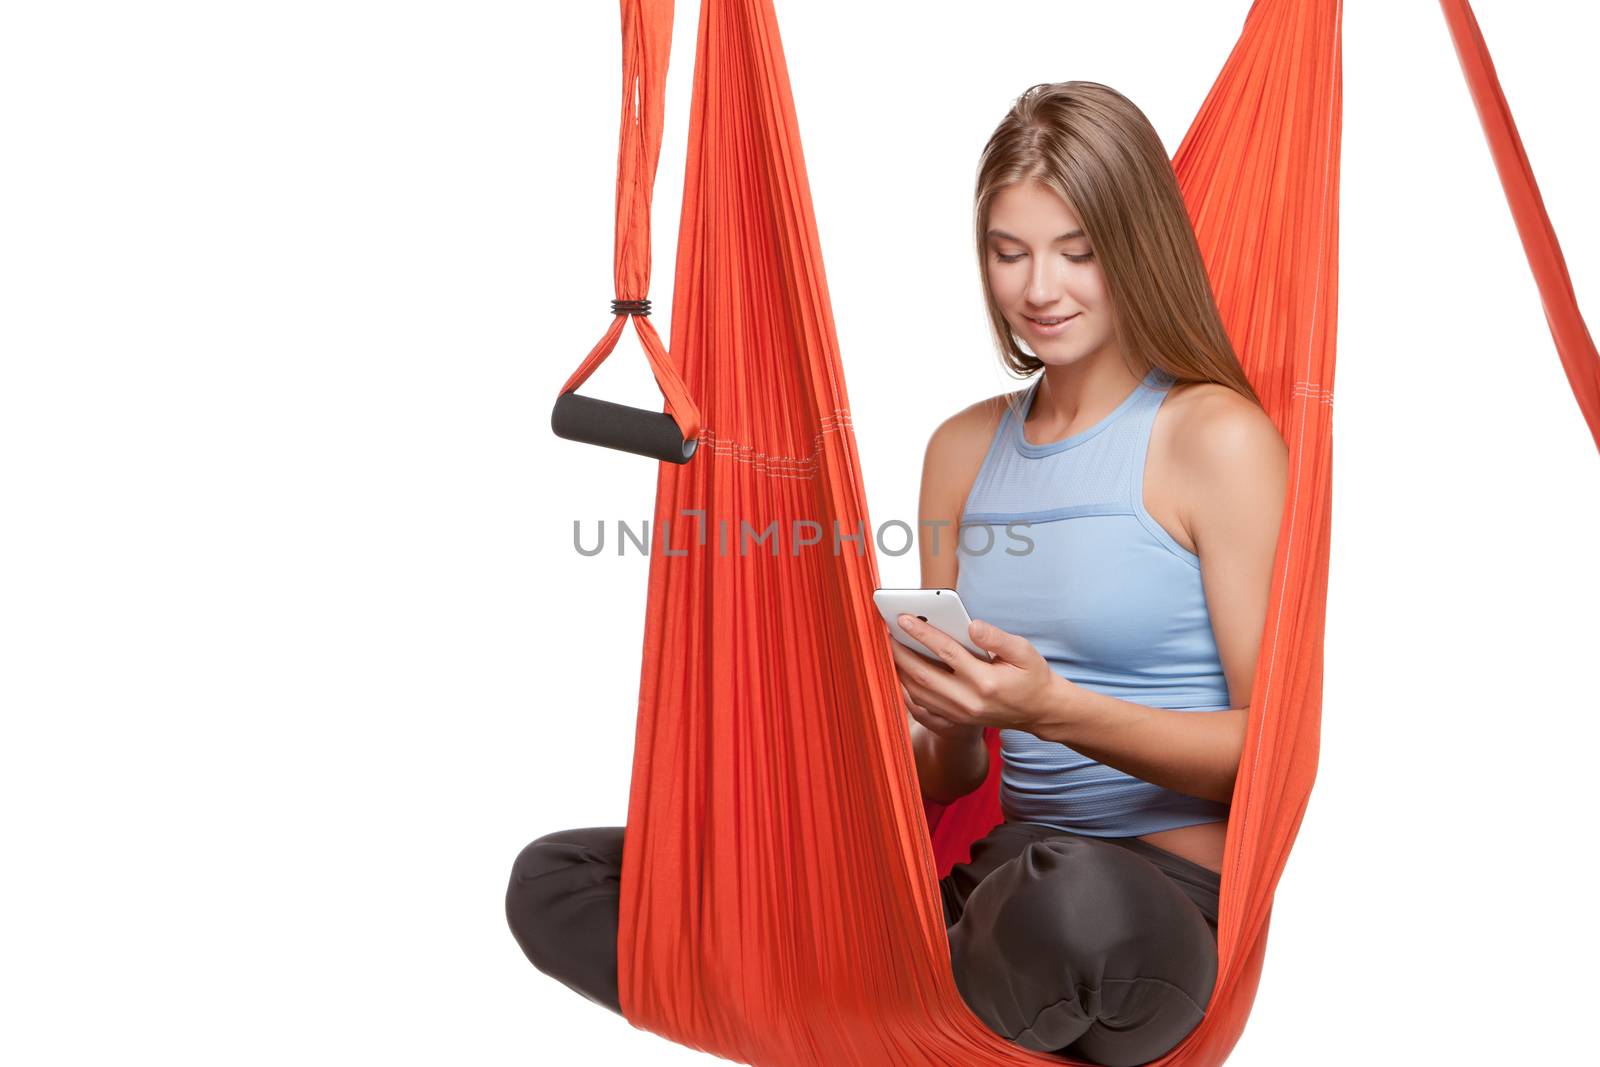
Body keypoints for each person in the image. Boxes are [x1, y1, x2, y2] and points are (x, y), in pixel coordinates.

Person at [506, 81, 1287, 1067]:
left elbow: (1265, 752)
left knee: (1071, 899)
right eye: (1009, 252)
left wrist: (1049, 708)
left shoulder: (1214, 437)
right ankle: (883, 1010)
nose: (1039, 287)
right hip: (989, 899)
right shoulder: (961, 449)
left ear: (1138, 246)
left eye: (1076, 250)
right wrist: (945, 709)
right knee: (561, 878)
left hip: (1144, 907)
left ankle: (854, 1008)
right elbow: (951, 771)